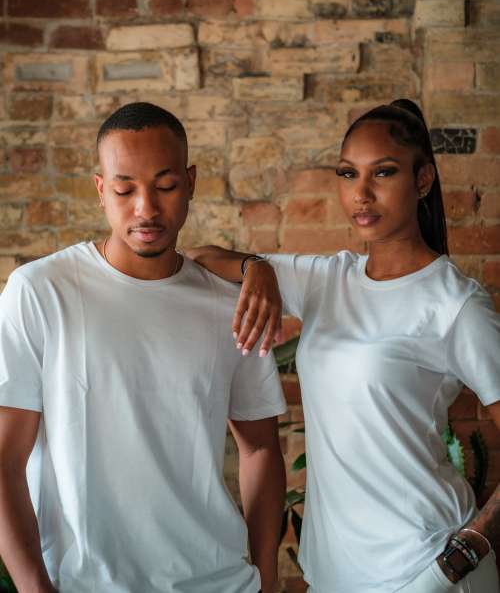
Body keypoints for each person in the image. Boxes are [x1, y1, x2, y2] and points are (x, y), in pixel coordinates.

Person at [188, 99, 500, 593]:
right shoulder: (327, 280)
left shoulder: (455, 304)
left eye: (384, 173)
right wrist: (259, 267)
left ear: (422, 181)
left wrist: (465, 554)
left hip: (426, 569)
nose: (362, 193)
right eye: (348, 174)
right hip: (334, 574)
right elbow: (200, 258)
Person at [0, 102, 287, 593]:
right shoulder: (41, 292)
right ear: (99, 190)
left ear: (191, 181)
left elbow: (260, 444)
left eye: (166, 186)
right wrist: (34, 588)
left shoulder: (226, 304)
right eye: (124, 188)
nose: (146, 209)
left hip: (219, 581)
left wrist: (265, 577)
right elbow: (4, 458)